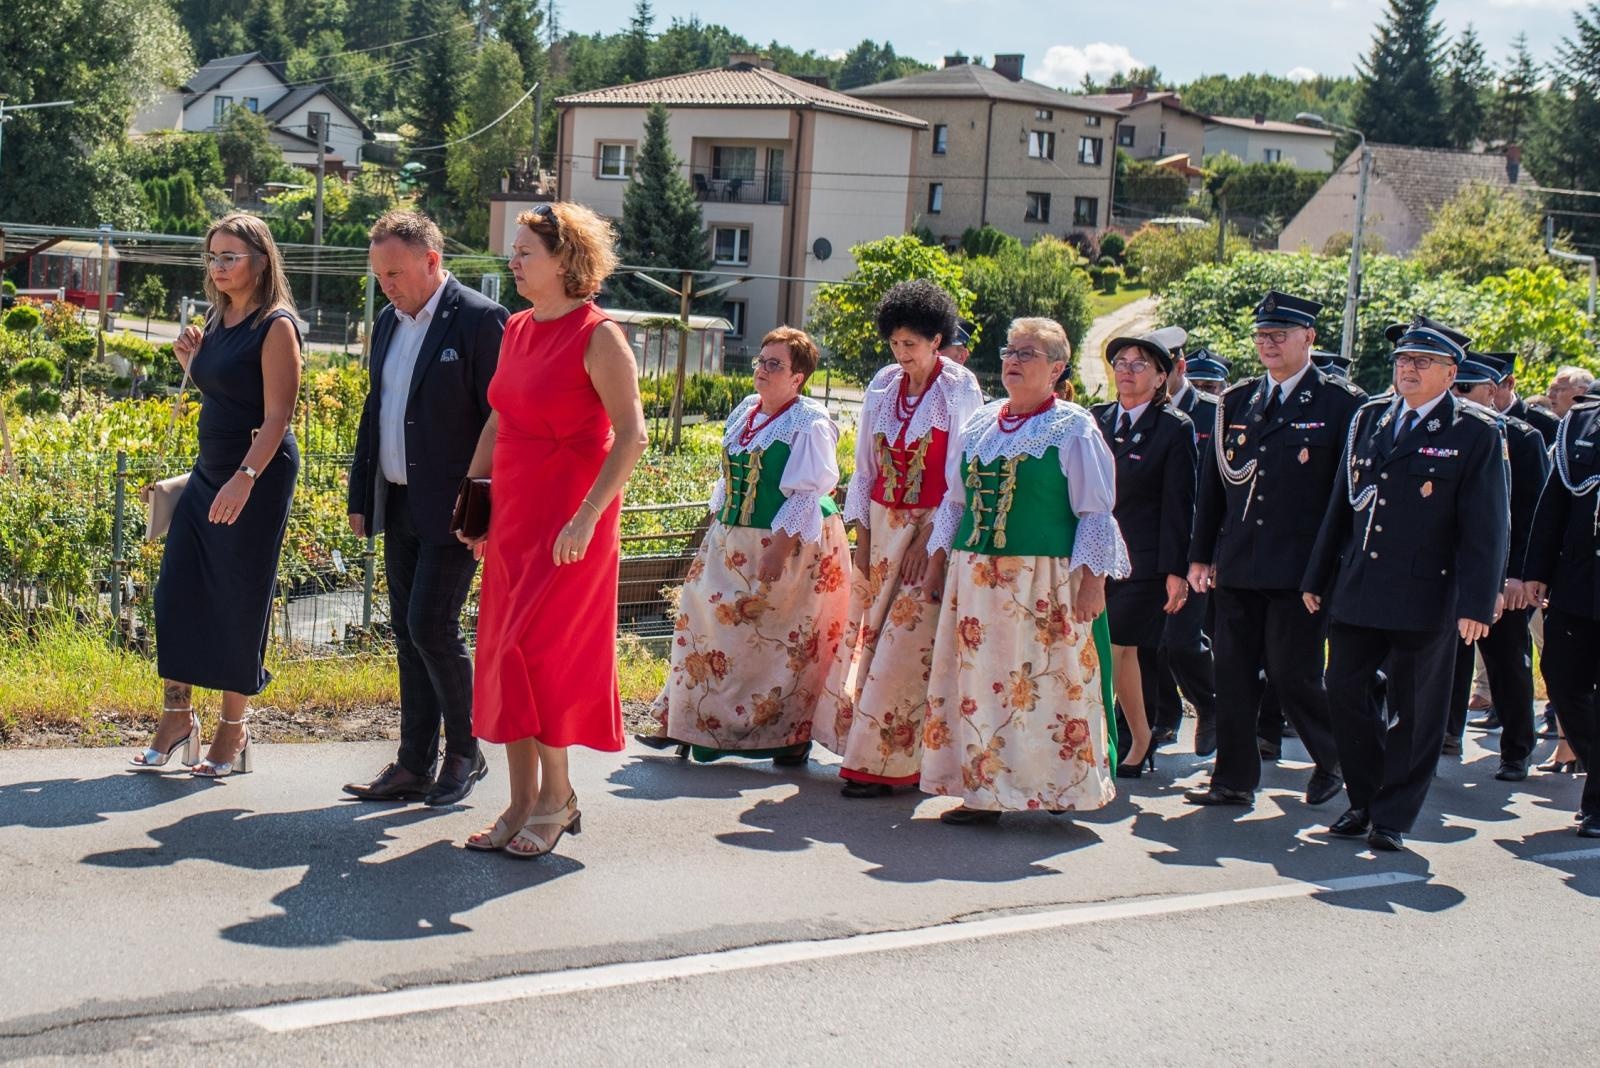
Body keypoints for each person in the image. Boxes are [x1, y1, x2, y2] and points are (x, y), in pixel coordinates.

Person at [458, 203, 648, 858]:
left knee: (543, 659)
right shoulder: (515, 328)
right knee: (507, 658)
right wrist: (472, 502)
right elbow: (496, 421)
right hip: (513, 519)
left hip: (572, 524)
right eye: (513, 250)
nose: (513, 261)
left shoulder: (598, 336)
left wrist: (588, 516)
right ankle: (518, 802)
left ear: (567, 260)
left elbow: (632, 436)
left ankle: (557, 797)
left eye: (525, 252)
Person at [1303, 317, 1508, 851]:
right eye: (1402, 361)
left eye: (1421, 362)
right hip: (1360, 583)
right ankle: (1365, 797)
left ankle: (1392, 816)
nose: (1407, 370)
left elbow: (1486, 526)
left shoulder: (1476, 431)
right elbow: (1341, 505)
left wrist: (1477, 603)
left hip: (1427, 592)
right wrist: (1319, 574)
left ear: (1450, 373)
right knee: (1344, 690)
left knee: (1416, 712)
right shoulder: (1371, 418)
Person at [920, 317, 1130, 823]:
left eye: (1028, 353)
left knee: (1046, 686)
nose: (1012, 361)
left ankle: (1056, 786)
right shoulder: (981, 423)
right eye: (1010, 350)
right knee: (979, 687)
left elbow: (1095, 511)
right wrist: (935, 566)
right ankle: (983, 791)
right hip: (975, 582)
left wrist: (1092, 584)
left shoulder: (1073, 426)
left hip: (1042, 582)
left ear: (1057, 368)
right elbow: (955, 502)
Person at [343, 211, 508, 806]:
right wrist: (363, 494)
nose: (385, 284)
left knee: (430, 626)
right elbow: (375, 411)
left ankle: (465, 751)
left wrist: (486, 504)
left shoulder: (481, 320)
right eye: (379, 274)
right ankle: (414, 763)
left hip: (454, 508)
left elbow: (502, 419)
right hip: (400, 500)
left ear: (432, 263)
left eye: (394, 272)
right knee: (407, 635)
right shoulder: (388, 321)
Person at [132, 213, 301, 777]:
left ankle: (234, 727)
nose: (219, 266)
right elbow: (228, 389)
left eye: (230, 256)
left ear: (261, 259)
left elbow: (278, 417)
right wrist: (192, 362)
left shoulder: (275, 325)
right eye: (213, 256)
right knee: (175, 591)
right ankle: (178, 717)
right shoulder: (218, 317)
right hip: (210, 471)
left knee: (238, 597)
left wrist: (244, 480)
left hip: (256, 473)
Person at [1185, 291, 1363, 808]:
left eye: (1279, 335)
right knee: (1232, 673)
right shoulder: (1237, 401)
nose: (1268, 343)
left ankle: (1335, 757)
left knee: (1293, 674)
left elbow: (1344, 498)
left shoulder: (1340, 403)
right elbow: (1215, 486)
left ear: (1309, 338)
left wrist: (1330, 570)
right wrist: (1200, 554)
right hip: (1240, 561)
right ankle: (1234, 779)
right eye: (1262, 335)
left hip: (1300, 569)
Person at [639, 328, 850, 763]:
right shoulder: (747, 411)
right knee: (698, 618)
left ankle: (784, 736)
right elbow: (730, 478)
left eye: (776, 365)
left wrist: (778, 549)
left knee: (775, 645)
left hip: (788, 543)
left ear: (799, 377)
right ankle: (687, 721)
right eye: (762, 361)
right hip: (732, 537)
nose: (763, 370)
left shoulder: (809, 422)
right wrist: (719, 526)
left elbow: (809, 493)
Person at [816, 281, 983, 798]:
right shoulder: (884, 385)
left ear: (938, 340)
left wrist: (931, 547)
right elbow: (865, 469)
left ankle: (879, 764)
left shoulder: (960, 388)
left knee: (905, 647)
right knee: (870, 641)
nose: (901, 353)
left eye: (911, 343)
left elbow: (961, 477)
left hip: (931, 528)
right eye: (894, 343)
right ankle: (883, 754)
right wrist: (863, 542)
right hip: (883, 529)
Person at [1091, 331, 1196, 777]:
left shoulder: (1174, 428)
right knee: (1111, 652)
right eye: (1121, 363)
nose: (1128, 372)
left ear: (1160, 378)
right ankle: (1128, 734)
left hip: (1145, 562)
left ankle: (1124, 736)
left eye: (1139, 365)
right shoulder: (1094, 419)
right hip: (1095, 557)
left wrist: (1176, 571)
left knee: (1117, 647)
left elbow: (1179, 504)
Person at [1442, 352, 1549, 779]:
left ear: (1493, 389)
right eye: (1454, 388)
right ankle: (1445, 734)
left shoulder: (1522, 439)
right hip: (1451, 571)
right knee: (1445, 662)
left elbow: (1531, 515)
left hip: (1503, 576)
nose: (1458, 396)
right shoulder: (1449, 432)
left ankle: (1517, 749)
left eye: (1465, 389)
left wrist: (1517, 574)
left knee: (1507, 663)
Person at [1524, 384, 1600, 837]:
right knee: (1561, 675)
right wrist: (1537, 569)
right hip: (1578, 582)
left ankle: (1597, 806)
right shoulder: (1581, 422)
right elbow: (1554, 502)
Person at [1147, 329, 1220, 756]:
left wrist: (1212, 553)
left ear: (1178, 367)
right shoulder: (1142, 413)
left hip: (1194, 547)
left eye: (1160, 365)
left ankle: (1211, 705)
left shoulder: (1213, 412)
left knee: (1181, 639)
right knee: (1146, 640)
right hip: (1148, 544)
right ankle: (1162, 717)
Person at [1494, 362, 1561, 445]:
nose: (1487, 394)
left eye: (1492, 388)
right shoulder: (1475, 421)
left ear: (1510, 383)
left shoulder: (1546, 423)